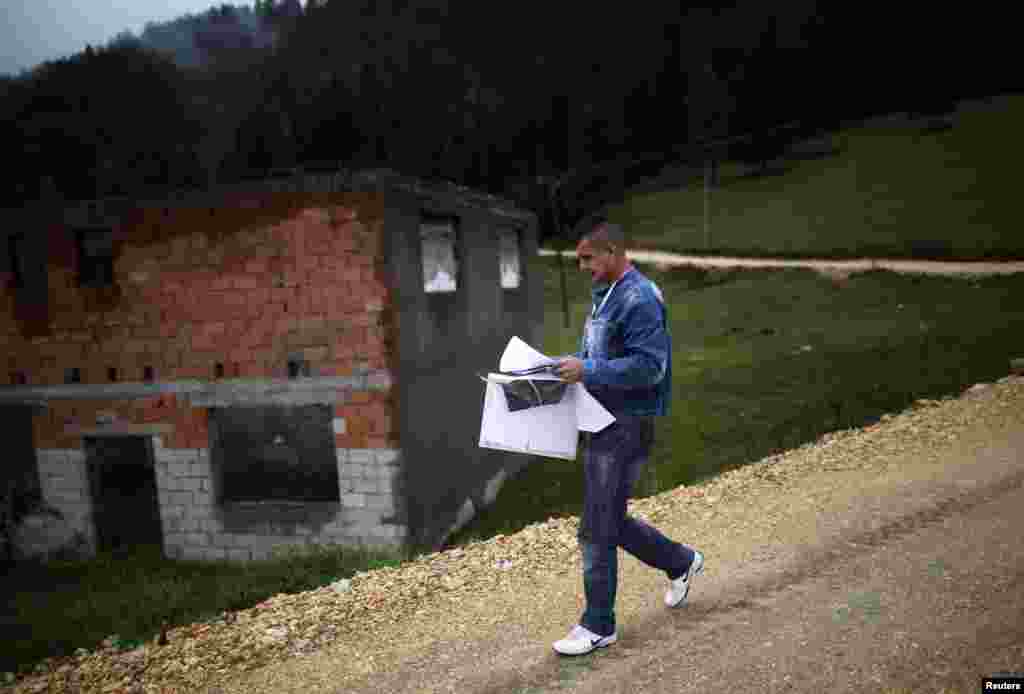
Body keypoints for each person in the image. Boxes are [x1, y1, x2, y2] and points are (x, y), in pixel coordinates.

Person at [551, 220, 704, 656]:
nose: (583, 267)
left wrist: (590, 370)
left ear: (614, 252)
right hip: (603, 420)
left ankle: (598, 624)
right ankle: (680, 561)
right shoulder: (608, 295)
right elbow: (602, 354)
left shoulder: (638, 299)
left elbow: (650, 366)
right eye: (580, 259)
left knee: (596, 527)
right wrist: (573, 364)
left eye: (588, 258)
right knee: (609, 520)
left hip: (627, 425)